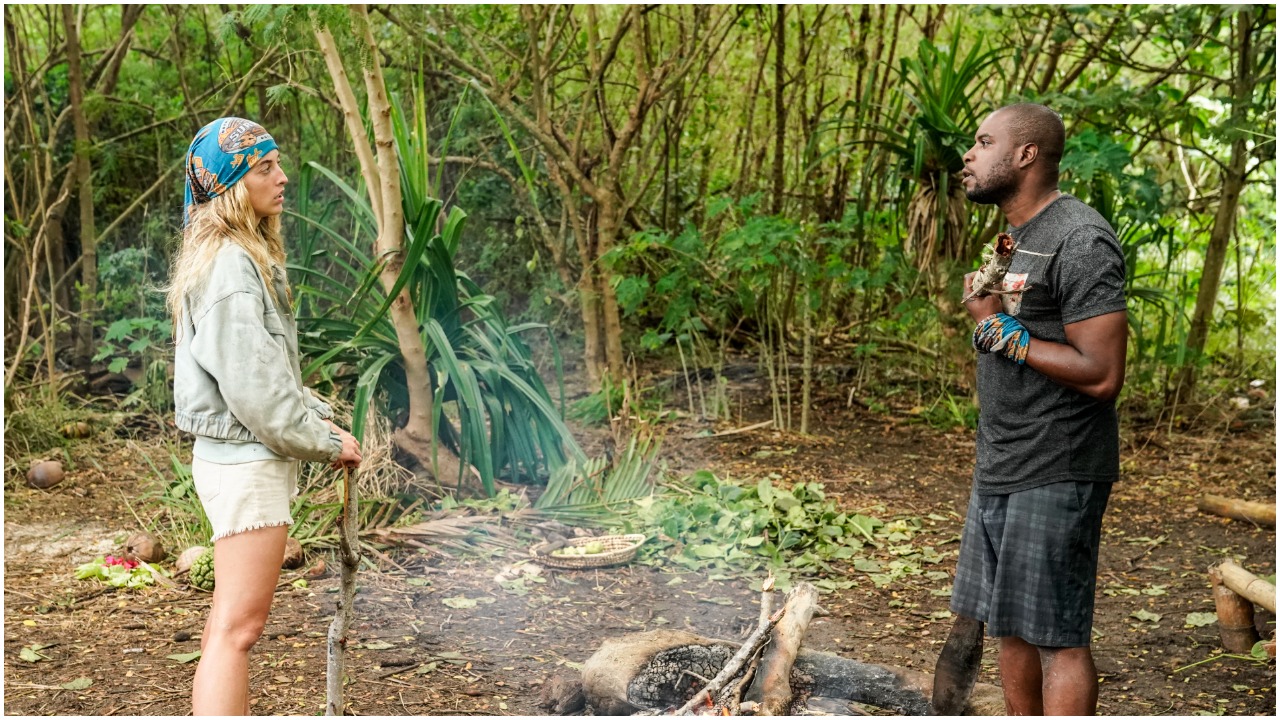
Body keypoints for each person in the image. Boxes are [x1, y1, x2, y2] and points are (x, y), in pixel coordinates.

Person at [167, 116, 363, 715]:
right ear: (230, 186)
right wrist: (327, 445)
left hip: (238, 459)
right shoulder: (230, 266)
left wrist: (317, 417)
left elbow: (264, 374)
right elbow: (255, 395)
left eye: (277, 162)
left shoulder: (232, 256)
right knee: (239, 630)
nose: (283, 177)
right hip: (245, 467)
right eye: (264, 168)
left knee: (227, 624)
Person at [944, 103, 1128, 715]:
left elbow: (1102, 375)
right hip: (1002, 460)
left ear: (1026, 155)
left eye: (983, 140)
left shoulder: (1080, 237)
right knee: (1011, 626)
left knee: (1058, 638)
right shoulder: (1017, 237)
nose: (968, 155)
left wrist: (995, 326)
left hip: (1058, 463)